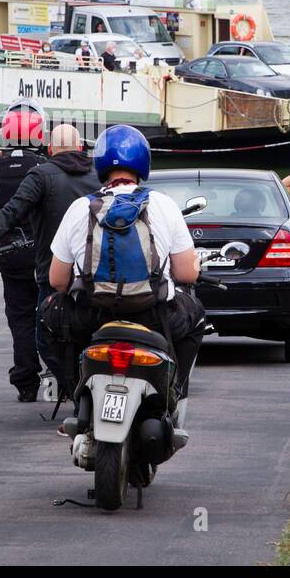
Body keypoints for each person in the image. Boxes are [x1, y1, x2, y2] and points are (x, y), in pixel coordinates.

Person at [48, 125, 204, 410]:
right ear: (143, 162)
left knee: (49, 317)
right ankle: (175, 390)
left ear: (100, 164)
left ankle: (75, 391)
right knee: (197, 314)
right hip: (154, 316)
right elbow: (186, 274)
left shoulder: (79, 208)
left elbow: (57, 281)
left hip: (93, 316)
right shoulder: (164, 204)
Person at [0, 123, 100, 397]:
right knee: (91, 333)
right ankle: (92, 388)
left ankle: (80, 394)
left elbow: (9, 215)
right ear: (81, 147)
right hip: (93, 273)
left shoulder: (41, 176)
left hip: (52, 272)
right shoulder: (97, 174)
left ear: (51, 148)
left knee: (46, 340)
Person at [0, 99, 47, 401]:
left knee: (20, 320)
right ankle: (58, 375)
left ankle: (26, 382)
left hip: (8, 255)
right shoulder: (44, 168)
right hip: (42, 253)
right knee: (52, 315)